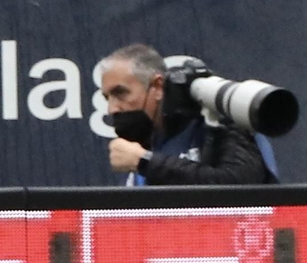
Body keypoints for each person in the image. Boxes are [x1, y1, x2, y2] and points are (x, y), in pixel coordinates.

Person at [99, 44, 277, 185]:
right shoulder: (147, 143)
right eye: (107, 98)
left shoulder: (220, 118)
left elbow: (239, 186)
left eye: (120, 93)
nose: (112, 109)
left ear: (158, 86)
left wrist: (145, 162)